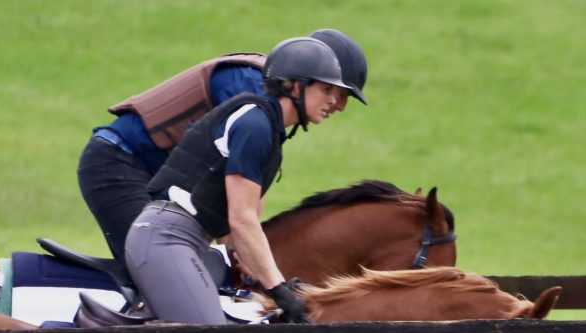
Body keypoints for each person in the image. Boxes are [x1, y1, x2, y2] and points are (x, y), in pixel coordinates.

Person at [124, 36, 356, 333]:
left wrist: (266, 279)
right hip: (167, 237)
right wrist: (279, 288)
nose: (338, 103)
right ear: (294, 84)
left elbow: (238, 231)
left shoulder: (265, 129)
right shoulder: (255, 122)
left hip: (187, 240)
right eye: (329, 90)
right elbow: (243, 220)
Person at [77, 29, 368, 260]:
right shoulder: (253, 89)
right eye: (336, 92)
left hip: (150, 175)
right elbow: (238, 192)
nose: (340, 106)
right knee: (153, 268)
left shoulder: (268, 92)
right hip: (118, 163)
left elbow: (250, 182)